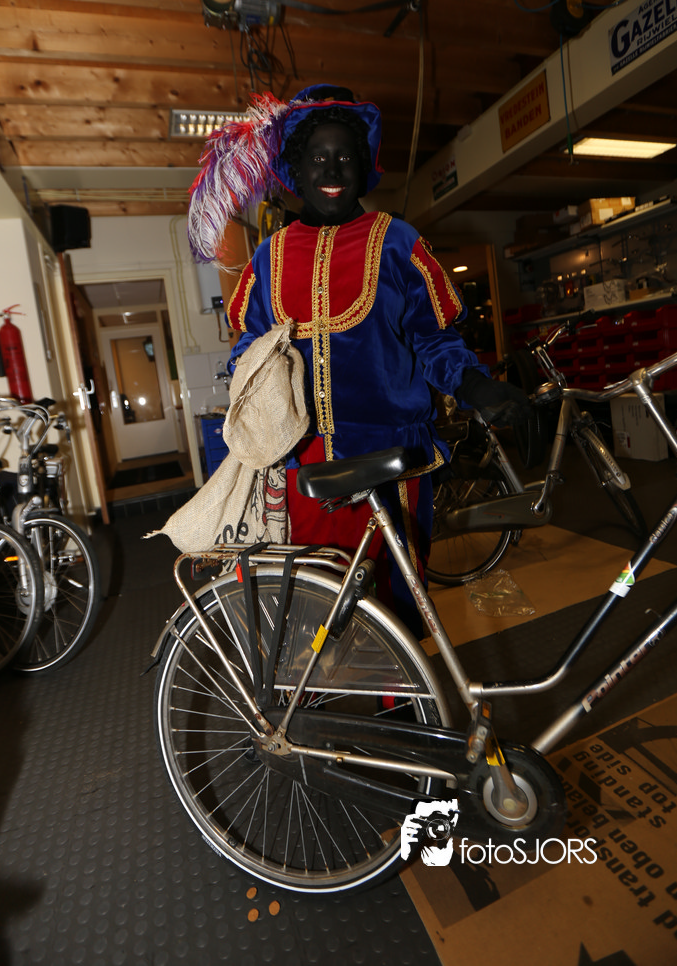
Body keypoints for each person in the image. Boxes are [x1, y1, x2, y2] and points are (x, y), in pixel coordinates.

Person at [188, 84, 529, 636]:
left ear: (363, 166)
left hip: (392, 459)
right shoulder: (269, 258)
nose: (332, 169)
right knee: (315, 606)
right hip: (302, 468)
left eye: (345, 156)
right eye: (318, 157)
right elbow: (248, 348)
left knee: (396, 609)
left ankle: (402, 689)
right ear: (296, 170)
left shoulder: (396, 242)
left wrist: (473, 385)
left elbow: (433, 338)